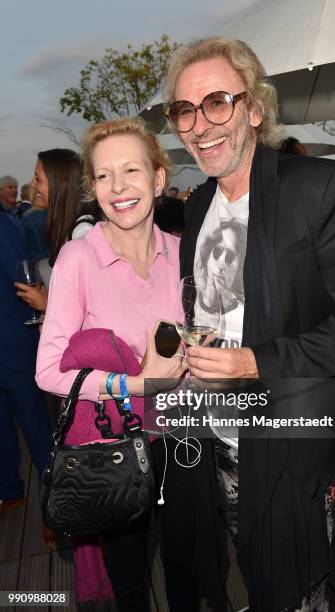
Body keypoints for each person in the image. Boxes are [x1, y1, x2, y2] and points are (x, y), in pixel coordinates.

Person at [161, 36, 335, 612]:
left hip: (293, 429)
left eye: (217, 102)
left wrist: (254, 361)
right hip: (216, 430)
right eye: (184, 110)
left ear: (255, 110)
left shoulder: (316, 187)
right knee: (251, 559)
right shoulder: (196, 208)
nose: (199, 124)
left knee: (297, 581)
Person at [36, 117, 186, 612]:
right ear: (92, 187)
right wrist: (134, 383)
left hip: (186, 440)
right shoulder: (78, 258)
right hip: (116, 448)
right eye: (103, 176)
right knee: (129, 584)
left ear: (159, 178)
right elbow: (49, 371)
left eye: (131, 171)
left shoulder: (183, 254)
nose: (118, 188)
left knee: (191, 569)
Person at [0, 208, 52, 515]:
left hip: (11, 342)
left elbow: (23, 276)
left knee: (34, 423)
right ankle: (8, 490)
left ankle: (58, 503)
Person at [15, 148, 100, 307]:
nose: (32, 184)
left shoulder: (84, 233)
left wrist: (48, 304)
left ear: (58, 184)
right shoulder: (68, 227)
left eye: (38, 178)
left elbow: (97, 302)